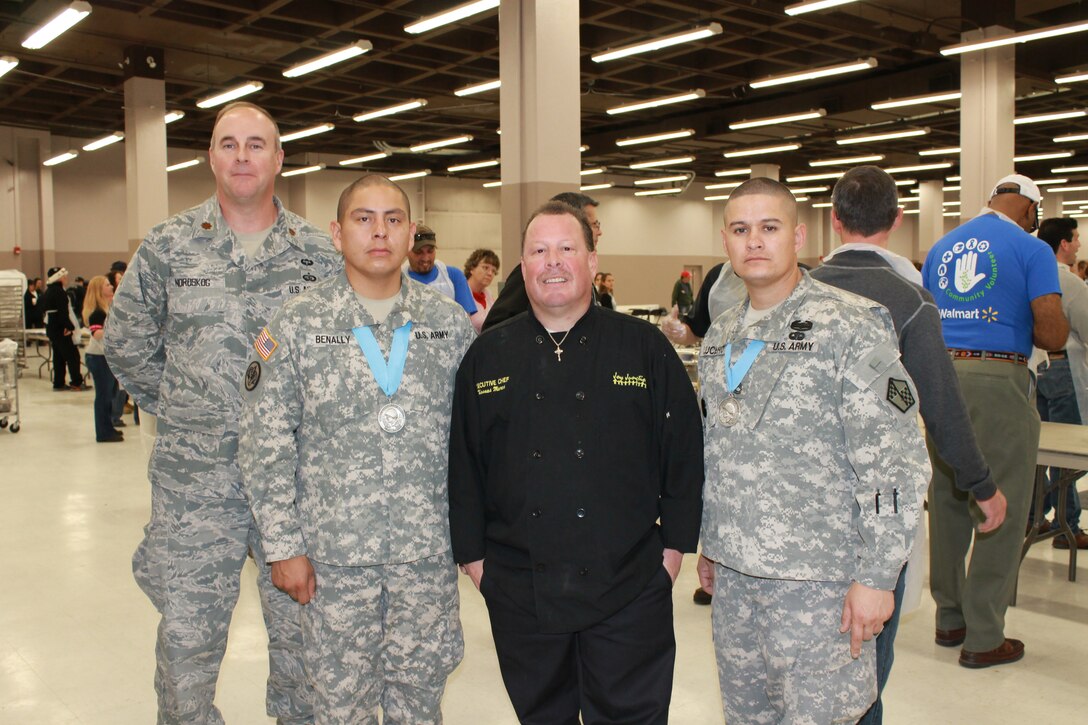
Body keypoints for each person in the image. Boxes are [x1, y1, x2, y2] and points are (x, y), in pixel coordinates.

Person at [104, 101, 342, 724]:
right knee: (187, 644)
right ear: (210, 157)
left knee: (304, 644)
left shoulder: (320, 255)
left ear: (279, 158)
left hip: (293, 485)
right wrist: (185, 410)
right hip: (194, 486)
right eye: (228, 144)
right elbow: (125, 343)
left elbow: (341, 358)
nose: (242, 156)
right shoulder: (168, 246)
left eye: (256, 144)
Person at [449, 200, 703, 723]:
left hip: (631, 584)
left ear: (591, 260)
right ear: (523, 266)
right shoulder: (488, 356)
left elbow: (683, 452)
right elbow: (465, 466)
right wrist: (477, 562)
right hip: (522, 588)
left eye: (567, 248)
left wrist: (673, 551)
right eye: (539, 251)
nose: (553, 262)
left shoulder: (644, 348)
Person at [239, 175, 472, 723]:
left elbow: (474, 442)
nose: (379, 232)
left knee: (420, 705)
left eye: (393, 219)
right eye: (363, 219)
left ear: (410, 233)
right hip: (332, 564)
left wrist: (476, 539)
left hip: (425, 559)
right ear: (337, 233)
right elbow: (263, 439)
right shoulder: (297, 324)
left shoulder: (448, 325)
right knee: (339, 707)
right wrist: (282, 546)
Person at [697, 177, 930, 724]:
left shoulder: (850, 324)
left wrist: (878, 576)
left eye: (769, 227)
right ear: (726, 243)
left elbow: (895, 460)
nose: (755, 241)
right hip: (736, 581)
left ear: (798, 236)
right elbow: (720, 449)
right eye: (740, 230)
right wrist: (711, 542)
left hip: (820, 586)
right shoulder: (721, 335)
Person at [811, 166, 1007, 723]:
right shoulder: (909, 300)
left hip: (799, 517)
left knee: (808, 664)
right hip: (874, 515)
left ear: (834, 220)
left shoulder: (800, 292)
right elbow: (941, 406)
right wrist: (981, 485)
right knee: (865, 665)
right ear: (898, 220)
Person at [922, 173, 1068, 668]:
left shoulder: (942, 247)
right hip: (998, 378)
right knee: (1000, 499)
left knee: (947, 497)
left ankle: (949, 617)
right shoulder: (1032, 249)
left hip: (941, 376)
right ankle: (984, 635)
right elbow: (1052, 333)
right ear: (1029, 209)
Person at [1031, 217, 1088, 549]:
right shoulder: (1069, 282)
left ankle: (1034, 518)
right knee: (1068, 453)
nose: (1079, 244)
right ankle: (1068, 525)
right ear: (1064, 244)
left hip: (1036, 368)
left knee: (1039, 448)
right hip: (1064, 369)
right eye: (1076, 238)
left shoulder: (1030, 273)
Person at [483, 191, 602, 331]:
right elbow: (496, 325)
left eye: (566, 249)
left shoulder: (582, 275)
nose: (599, 232)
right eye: (594, 224)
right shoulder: (534, 275)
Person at [82, 275, 123, 442]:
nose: (111, 286)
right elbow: (96, 333)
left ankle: (107, 427)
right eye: (107, 285)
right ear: (100, 290)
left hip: (104, 356)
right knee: (103, 396)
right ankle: (103, 432)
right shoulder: (98, 312)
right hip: (98, 358)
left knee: (109, 394)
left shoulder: (107, 308)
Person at [405, 224, 477, 315]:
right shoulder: (398, 280)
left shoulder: (453, 276)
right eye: (419, 252)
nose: (426, 258)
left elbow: (466, 319)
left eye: (430, 251)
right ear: (407, 251)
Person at [40, 266, 85, 391]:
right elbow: (63, 312)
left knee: (59, 356)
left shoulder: (48, 291)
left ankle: (58, 382)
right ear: (59, 278)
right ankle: (76, 382)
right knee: (72, 355)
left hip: (52, 327)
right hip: (60, 328)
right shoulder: (59, 292)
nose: (66, 279)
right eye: (64, 277)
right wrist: (69, 326)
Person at [464, 248, 500, 333]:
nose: (490, 273)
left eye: (493, 271)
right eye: (485, 267)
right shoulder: (462, 293)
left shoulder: (489, 295)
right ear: (472, 268)